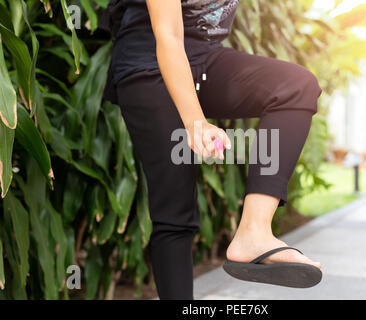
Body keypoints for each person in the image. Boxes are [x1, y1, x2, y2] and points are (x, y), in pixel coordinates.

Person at [100, 0, 323, 300]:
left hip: (205, 59)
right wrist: (194, 122)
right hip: (149, 63)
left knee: (295, 86)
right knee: (175, 211)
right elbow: (167, 35)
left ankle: (253, 232)